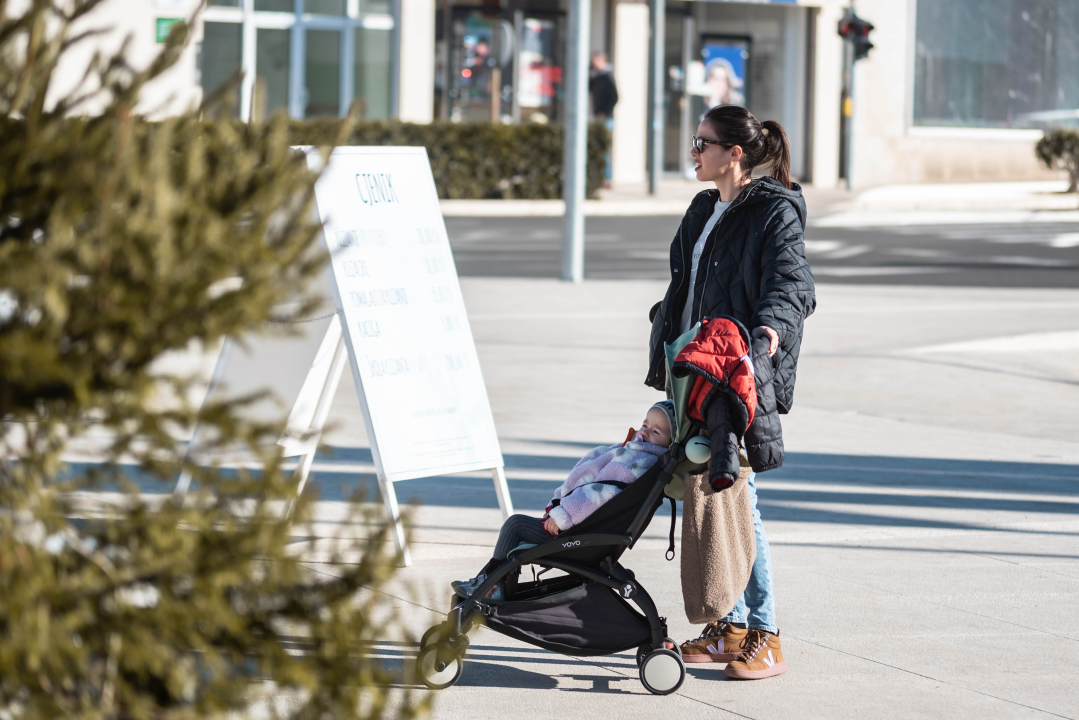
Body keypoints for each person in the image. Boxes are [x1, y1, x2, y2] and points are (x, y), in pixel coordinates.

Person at [645, 105, 815, 680]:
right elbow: (685, 283)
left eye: (703, 142)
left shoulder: (773, 211)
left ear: (734, 154)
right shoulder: (701, 209)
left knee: (740, 501)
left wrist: (768, 331)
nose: (694, 152)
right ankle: (733, 626)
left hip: (734, 373)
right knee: (713, 496)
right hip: (691, 371)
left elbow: (793, 284)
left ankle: (764, 633)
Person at [451, 401, 675, 604]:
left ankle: (492, 586)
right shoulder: (636, 453)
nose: (645, 432)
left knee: (515, 525)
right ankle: (490, 583)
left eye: (656, 431)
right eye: (645, 424)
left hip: (579, 535)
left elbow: (599, 494)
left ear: (668, 442)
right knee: (516, 527)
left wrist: (564, 514)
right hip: (583, 528)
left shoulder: (638, 463)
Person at [588, 51, 618, 187]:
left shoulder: (607, 77)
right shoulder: (596, 77)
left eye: (596, 61)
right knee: (596, 148)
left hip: (606, 118)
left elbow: (615, 97)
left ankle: (607, 179)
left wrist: (604, 112)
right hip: (597, 116)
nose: (594, 64)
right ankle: (598, 177)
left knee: (604, 148)